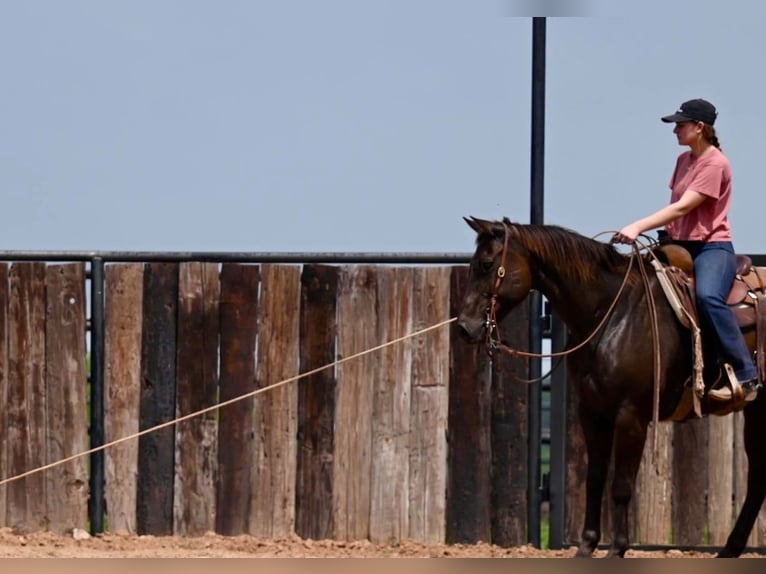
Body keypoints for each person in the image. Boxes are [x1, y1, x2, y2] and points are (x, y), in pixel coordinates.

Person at [613, 98, 760, 401]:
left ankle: (746, 374)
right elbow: (675, 206)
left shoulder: (716, 163)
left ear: (699, 127)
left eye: (680, 124)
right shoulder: (684, 161)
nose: (675, 130)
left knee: (707, 297)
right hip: (678, 244)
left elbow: (683, 207)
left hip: (711, 247)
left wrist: (637, 226)